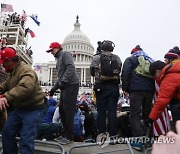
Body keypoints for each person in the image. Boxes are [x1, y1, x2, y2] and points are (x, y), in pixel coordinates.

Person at [0, 47, 48, 154]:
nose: (3, 67)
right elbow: (5, 85)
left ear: (9, 61)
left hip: (33, 108)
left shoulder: (26, 70)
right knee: (7, 132)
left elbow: (26, 87)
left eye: (4, 63)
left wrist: (5, 97)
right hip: (20, 107)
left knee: (26, 138)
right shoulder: (12, 72)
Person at [46, 42, 79, 144]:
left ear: (57, 48)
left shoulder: (65, 54)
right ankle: (64, 134)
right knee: (62, 110)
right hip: (65, 86)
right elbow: (59, 78)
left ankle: (69, 136)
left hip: (71, 84)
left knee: (68, 111)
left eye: (52, 50)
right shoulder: (58, 60)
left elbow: (71, 67)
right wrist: (53, 89)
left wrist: (64, 81)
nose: (51, 52)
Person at [90, 40, 122, 137]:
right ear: (112, 48)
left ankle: (101, 134)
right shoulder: (117, 58)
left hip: (101, 87)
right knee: (112, 111)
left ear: (102, 48)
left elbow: (92, 73)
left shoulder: (96, 58)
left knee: (101, 112)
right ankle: (113, 134)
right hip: (113, 87)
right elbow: (119, 70)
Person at [148, 58, 180, 130]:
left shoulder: (169, 77)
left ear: (158, 71)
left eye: (154, 76)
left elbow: (162, 100)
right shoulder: (175, 70)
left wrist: (152, 118)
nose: (155, 79)